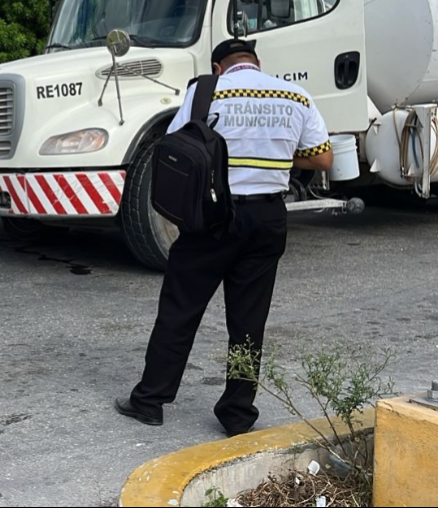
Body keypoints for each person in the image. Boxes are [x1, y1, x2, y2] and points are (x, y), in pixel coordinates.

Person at [115, 37, 334, 437]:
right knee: (249, 321)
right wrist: (279, 156)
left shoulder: (204, 92)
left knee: (180, 310)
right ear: (256, 63)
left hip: (214, 216)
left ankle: (150, 401)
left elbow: (178, 145)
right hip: (267, 218)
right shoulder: (296, 96)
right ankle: (236, 414)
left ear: (219, 68)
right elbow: (322, 158)